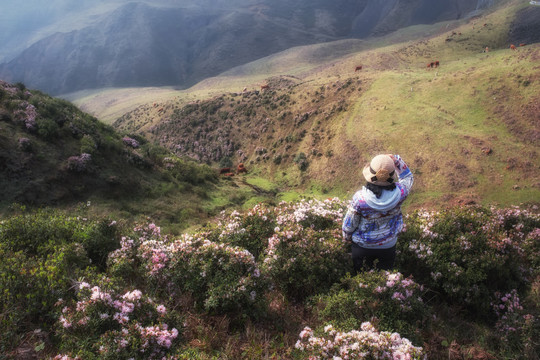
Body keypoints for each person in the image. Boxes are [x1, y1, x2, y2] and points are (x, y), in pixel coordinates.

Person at [342, 154, 413, 273]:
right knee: (383, 281)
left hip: (362, 247)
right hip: (388, 246)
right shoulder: (400, 193)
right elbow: (408, 178)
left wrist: (347, 238)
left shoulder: (360, 199)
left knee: (361, 281)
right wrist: (397, 160)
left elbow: (349, 225)